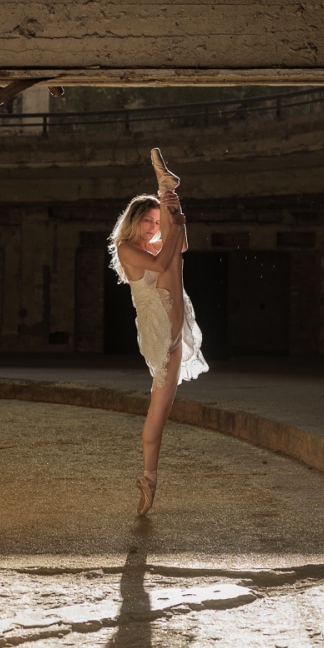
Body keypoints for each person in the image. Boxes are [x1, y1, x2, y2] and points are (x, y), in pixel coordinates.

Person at [108, 148, 209, 516]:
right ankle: (149, 477)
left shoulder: (151, 243)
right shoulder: (125, 248)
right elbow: (166, 257)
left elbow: (179, 245)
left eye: (155, 222)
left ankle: (149, 478)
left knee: (158, 413)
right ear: (134, 221)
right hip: (159, 324)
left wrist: (176, 217)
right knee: (157, 415)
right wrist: (173, 218)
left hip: (171, 315)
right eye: (148, 222)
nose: (153, 228)